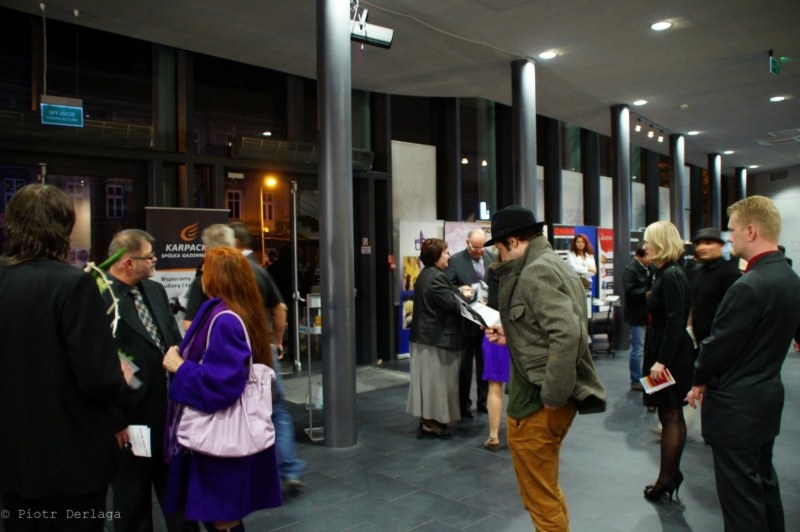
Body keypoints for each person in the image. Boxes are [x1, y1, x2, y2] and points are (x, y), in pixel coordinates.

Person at [0, 184, 132, 532]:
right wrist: (119, 377)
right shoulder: (73, 284)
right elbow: (98, 378)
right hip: (70, 457)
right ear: (65, 227)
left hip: (12, 455)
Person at [484, 206, 606, 530]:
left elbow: (567, 334)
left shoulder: (535, 271)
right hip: (544, 399)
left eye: (500, 248)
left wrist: (553, 394)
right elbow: (549, 327)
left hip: (537, 403)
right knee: (546, 491)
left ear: (512, 241)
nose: (500, 255)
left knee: (540, 500)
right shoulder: (552, 263)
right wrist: (510, 333)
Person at [686, 196, 800, 531]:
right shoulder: (789, 277)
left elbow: (719, 345)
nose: (729, 237)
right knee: (763, 487)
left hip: (736, 407)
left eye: (732, 230)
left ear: (751, 231)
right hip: (766, 398)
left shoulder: (749, 285)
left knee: (741, 505)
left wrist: (699, 378)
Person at [163, 247, 283, 531]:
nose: (200, 276)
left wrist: (180, 367)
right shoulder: (231, 311)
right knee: (219, 515)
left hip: (219, 439)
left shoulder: (225, 318)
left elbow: (222, 385)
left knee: (222, 517)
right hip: (220, 435)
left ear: (218, 276)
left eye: (204, 270)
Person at [105, 229, 197, 531]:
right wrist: (116, 419)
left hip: (168, 413)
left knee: (177, 493)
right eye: (149, 256)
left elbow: (171, 338)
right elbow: (98, 364)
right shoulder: (100, 298)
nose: (155, 260)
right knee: (133, 499)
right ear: (128, 262)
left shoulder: (154, 290)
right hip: (130, 420)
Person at [228, 222, 305, 491]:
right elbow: (280, 308)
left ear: (235, 243)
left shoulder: (226, 274)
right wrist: (278, 340)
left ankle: (250, 472)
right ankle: (289, 468)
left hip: (235, 350)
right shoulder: (259, 271)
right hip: (264, 349)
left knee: (239, 409)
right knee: (276, 408)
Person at [640, 221, 695, 503]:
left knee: (670, 414)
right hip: (665, 347)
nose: (645, 246)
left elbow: (675, 321)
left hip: (669, 352)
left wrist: (661, 360)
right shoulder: (665, 272)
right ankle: (670, 474)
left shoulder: (671, 274)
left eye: (648, 241)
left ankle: (666, 478)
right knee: (670, 414)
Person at [407, 237, 468, 436]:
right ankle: (431, 421)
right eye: (446, 253)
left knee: (430, 383)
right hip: (435, 340)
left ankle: (429, 419)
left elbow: (443, 295)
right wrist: (465, 296)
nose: (449, 257)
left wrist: (457, 290)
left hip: (427, 338)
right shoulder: (436, 277)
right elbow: (453, 304)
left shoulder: (427, 274)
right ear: (436, 256)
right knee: (438, 383)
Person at [445, 229, 494, 418]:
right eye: (475, 247)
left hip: (487, 320)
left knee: (485, 363)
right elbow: (448, 286)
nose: (480, 251)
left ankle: (484, 401)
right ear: (467, 243)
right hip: (465, 322)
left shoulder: (492, 258)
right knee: (464, 366)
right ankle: (463, 404)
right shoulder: (455, 261)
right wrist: (461, 291)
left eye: (482, 247)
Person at [688, 227, 741, 345]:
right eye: (699, 244)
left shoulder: (730, 273)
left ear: (720, 246)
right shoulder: (696, 272)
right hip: (699, 339)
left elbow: (735, 312)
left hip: (720, 340)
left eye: (708, 243)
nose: (702, 247)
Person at [480, 265, 510, 451]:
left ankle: (493, 435)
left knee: (494, 386)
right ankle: (518, 434)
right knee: (519, 387)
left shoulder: (494, 270)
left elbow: (489, 302)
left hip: (495, 329)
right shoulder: (529, 268)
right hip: (521, 333)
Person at [623, 245, 652, 391]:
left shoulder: (650, 268)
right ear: (639, 256)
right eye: (648, 256)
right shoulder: (630, 270)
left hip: (648, 314)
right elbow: (630, 293)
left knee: (646, 348)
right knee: (637, 349)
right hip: (636, 314)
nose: (651, 258)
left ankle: (645, 377)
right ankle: (636, 380)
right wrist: (646, 293)